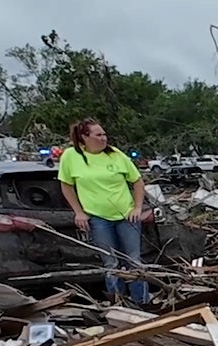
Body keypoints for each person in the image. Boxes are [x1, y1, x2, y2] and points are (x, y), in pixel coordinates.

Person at [57, 118, 150, 305]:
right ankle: (119, 303)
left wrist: (137, 207)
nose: (103, 138)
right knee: (111, 262)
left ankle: (142, 301)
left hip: (125, 214)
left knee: (134, 260)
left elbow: (137, 181)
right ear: (84, 137)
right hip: (98, 217)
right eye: (98, 135)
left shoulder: (115, 154)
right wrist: (79, 212)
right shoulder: (71, 156)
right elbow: (66, 186)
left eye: (104, 134)